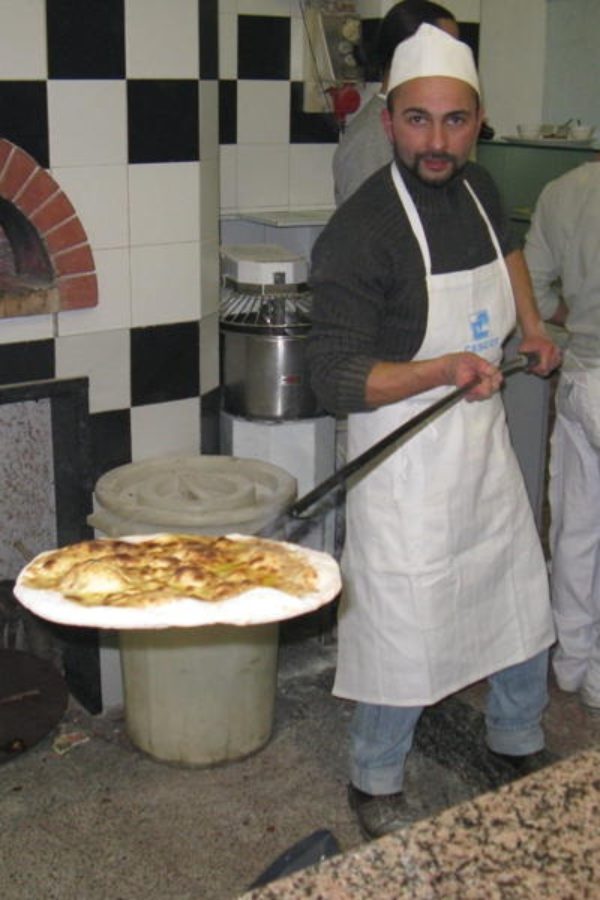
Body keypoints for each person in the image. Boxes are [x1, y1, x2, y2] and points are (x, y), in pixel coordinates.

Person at [307, 24, 562, 841]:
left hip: (478, 443)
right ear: (388, 120)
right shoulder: (361, 231)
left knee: (516, 584)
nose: (437, 141)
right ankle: (377, 772)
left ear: (479, 119)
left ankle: (516, 733)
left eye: (455, 121)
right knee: (403, 616)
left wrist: (530, 324)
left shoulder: (483, 189)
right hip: (404, 458)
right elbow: (336, 378)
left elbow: (511, 250)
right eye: (418, 120)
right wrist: (443, 369)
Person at [524, 156, 600, 713]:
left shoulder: (565, 189)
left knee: (577, 523)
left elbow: (528, 280)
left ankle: (572, 663)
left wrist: (569, 314)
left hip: (581, 381)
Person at [332, 0, 459, 207]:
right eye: (448, 52)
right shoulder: (371, 138)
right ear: (409, 53)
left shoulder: (424, 127)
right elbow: (372, 229)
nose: (456, 63)